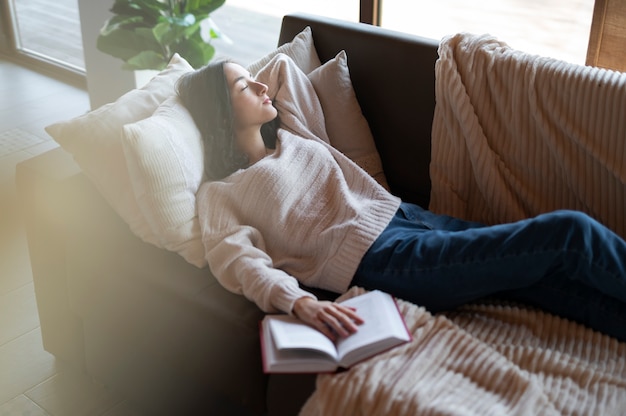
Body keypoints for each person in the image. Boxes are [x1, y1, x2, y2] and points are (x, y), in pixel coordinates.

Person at [177, 55, 626, 342]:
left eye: (254, 79)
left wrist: (245, 77)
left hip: (408, 217)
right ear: (220, 113)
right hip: (383, 258)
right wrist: (298, 301)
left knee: (544, 278)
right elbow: (235, 259)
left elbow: (285, 69)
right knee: (569, 232)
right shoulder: (220, 193)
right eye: (243, 87)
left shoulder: (294, 134)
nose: (260, 86)